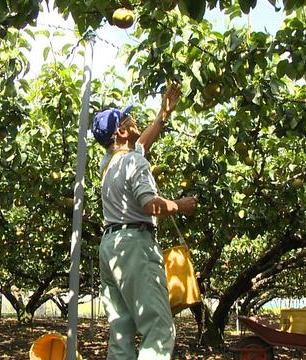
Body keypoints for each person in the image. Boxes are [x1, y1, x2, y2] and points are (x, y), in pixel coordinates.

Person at [91, 84, 197, 360]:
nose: (134, 120)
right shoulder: (135, 164)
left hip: (110, 246)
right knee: (159, 328)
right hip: (134, 246)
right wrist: (180, 206)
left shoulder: (108, 164)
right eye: (129, 120)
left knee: (121, 330)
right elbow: (150, 204)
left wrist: (163, 114)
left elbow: (142, 143)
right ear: (121, 132)